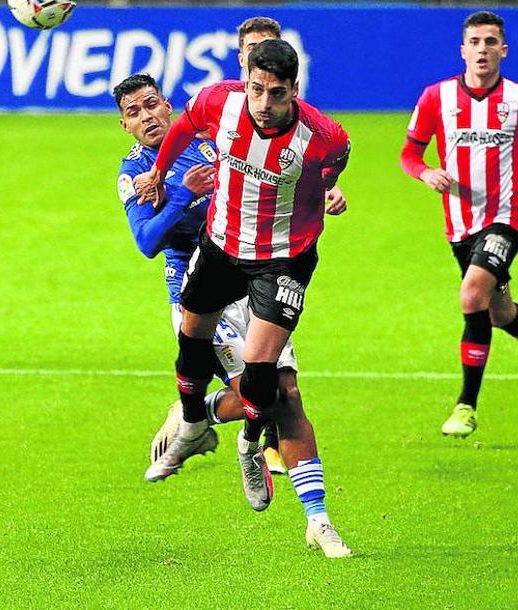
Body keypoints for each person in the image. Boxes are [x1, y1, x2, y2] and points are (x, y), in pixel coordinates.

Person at [133, 39, 353, 558]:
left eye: (275, 94)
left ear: (293, 90)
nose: (263, 103)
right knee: (192, 341)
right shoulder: (219, 102)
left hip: (283, 258)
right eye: (256, 90)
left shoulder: (324, 136)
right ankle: (194, 418)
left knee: (272, 385)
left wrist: (325, 193)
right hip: (220, 249)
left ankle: (291, 490)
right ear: (244, 80)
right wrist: (161, 176)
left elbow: (331, 170)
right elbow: (185, 127)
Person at [400, 10, 518, 438]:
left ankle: (465, 407)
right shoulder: (435, 98)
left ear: (503, 50)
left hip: (506, 217)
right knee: (498, 312)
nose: (482, 49)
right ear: (463, 50)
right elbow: (409, 154)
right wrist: (425, 172)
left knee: (472, 294)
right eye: (475, 42)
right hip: (459, 224)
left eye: (490, 42)